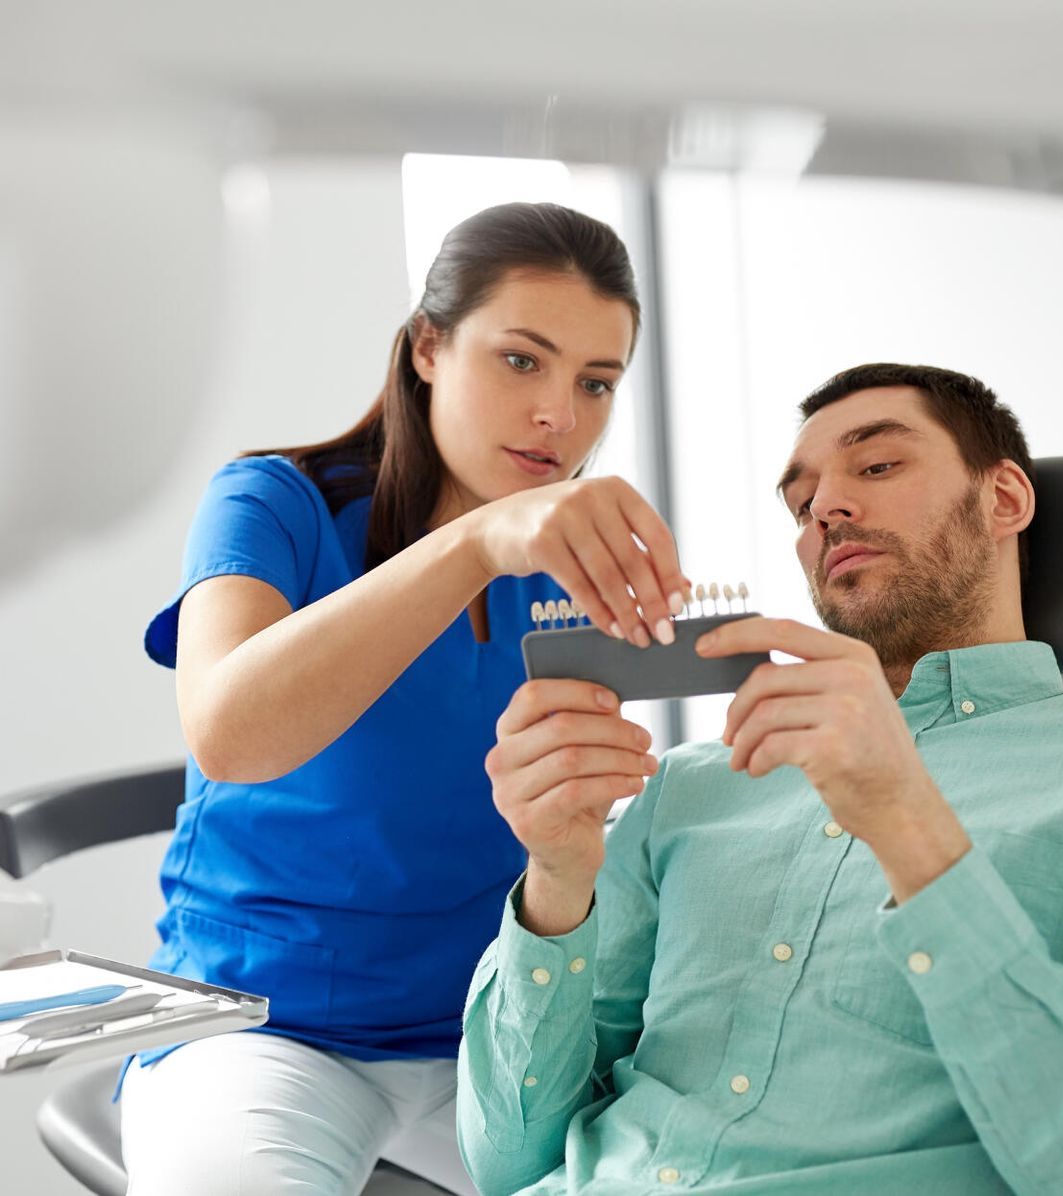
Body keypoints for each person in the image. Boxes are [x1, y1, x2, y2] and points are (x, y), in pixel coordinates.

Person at [461, 362, 1063, 1195]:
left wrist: (905, 824)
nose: (826, 507)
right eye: (800, 501)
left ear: (1003, 498)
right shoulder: (688, 786)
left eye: (878, 465)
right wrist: (559, 878)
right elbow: (506, 1162)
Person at [122, 202, 693, 1196]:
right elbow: (229, 730)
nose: (561, 414)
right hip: (259, 1024)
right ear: (429, 346)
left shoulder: (569, 569)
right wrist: (476, 542)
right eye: (523, 360)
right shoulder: (274, 504)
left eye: (595, 381)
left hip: (486, 1036)